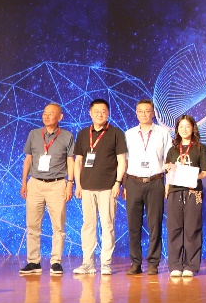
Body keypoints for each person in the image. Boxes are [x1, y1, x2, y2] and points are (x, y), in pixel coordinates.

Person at [72, 99, 126, 276]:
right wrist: (78, 184)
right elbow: (78, 161)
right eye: (96, 111)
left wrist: (118, 183)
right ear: (90, 113)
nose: (100, 114)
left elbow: (122, 161)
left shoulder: (116, 133)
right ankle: (87, 263)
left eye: (103, 111)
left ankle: (106, 263)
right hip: (87, 187)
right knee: (88, 225)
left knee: (107, 225)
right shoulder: (83, 134)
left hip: (108, 187)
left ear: (108, 113)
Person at [19, 101, 74, 276]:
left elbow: (70, 161)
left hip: (57, 184)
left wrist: (70, 183)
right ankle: (33, 262)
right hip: (35, 183)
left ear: (60, 117)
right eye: (45, 113)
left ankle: (56, 261)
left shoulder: (67, 136)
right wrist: (24, 182)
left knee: (58, 226)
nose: (47, 116)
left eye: (51, 114)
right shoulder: (34, 134)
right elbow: (28, 159)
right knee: (32, 225)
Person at [122, 98, 171, 275]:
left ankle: (153, 263)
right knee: (133, 225)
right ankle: (135, 263)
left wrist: (168, 183)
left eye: (147, 111)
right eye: (140, 111)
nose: (144, 114)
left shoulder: (163, 133)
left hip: (155, 181)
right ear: (136, 113)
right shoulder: (128, 134)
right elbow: (124, 161)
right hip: (133, 182)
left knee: (155, 224)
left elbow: (169, 160)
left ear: (153, 113)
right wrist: (124, 185)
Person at [165, 114, 206, 277]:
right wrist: (167, 187)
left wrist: (194, 178)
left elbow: (205, 171)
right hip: (175, 192)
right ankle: (175, 265)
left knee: (192, 228)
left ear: (193, 128)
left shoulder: (200, 148)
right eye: (181, 126)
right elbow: (168, 171)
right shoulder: (172, 150)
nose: (184, 129)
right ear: (177, 129)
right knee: (174, 228)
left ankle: (190, 266)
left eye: (187, 126)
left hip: (193, 192)